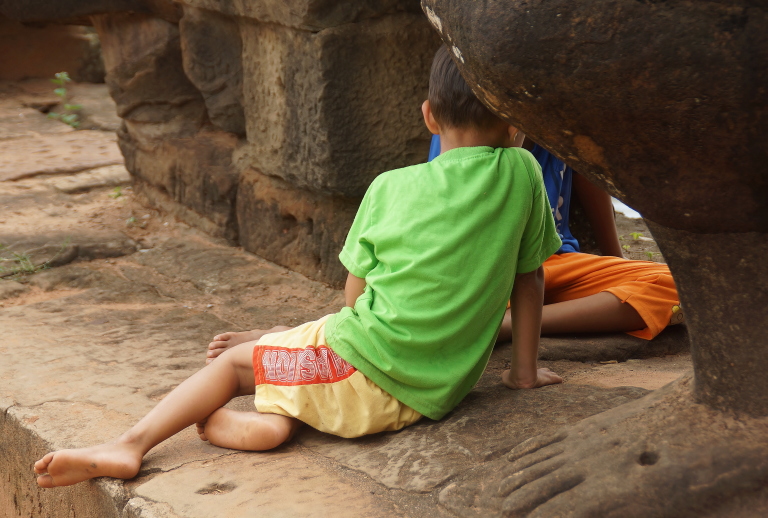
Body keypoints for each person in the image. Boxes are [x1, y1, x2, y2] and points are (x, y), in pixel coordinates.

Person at [33, 45, 563, 489]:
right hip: (429, 396)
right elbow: (529, 277)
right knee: (286, 392)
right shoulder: (523, 174)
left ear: (428, 115)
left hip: (362, 374)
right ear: (514, 123)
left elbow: (353, 303)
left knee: (233, 367)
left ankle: (130, 445)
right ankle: (271, 399)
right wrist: (523, 372)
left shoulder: (391, 187)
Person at [428, 136, 682, 341]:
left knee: (682, 285)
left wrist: (615, 258)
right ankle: (501, 320)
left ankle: (507, 326)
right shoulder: (462, 121)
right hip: (490, 269)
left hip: (554, 261)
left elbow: (588, 172)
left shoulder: (564, 126)